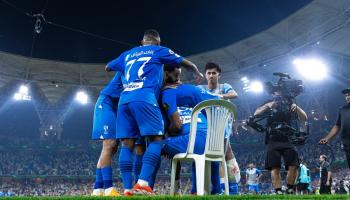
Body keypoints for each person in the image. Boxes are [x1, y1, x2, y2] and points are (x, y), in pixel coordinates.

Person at [105, 29, 203, 195]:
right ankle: (143, 184)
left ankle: (128, 188)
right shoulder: (159, 50)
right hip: (145, 97)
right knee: (156, 139)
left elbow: (108, 67)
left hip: (125, 100)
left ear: (142, 41)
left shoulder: (127, 53)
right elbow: (184, 62)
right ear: (157, 42)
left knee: (127, 144)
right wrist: (196, 71)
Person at [160, 64, 221, 194]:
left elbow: (177, 126)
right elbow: (213, 107)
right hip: (214, 143)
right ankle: (216, 190)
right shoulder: (194, 94)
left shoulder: (167, 93)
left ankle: (144, 183)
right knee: (205, 155)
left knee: (155, 144)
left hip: (193, 143)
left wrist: (170, 130)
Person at [197, 62, 240, 194]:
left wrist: (219, 96)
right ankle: (230, 188)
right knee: (225, 155)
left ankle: (225, 188)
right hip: (206, 128)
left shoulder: (224, 87)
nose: (211, 75)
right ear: (205, 75)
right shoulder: (200, 88)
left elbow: (235, 94)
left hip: (222, 128)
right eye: (209, 73)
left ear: (218, 75)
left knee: (222, 156)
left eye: (214, 73)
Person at [254, 90, 307, 194]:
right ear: (272, 93)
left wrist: (297, 107)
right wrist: (268, 105)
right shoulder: (268, 102)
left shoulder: (290, 103)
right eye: (275, 92)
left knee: (294, 165)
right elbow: (256, 113)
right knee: (275, 167)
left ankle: (290, 188)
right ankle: (278, 190)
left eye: (280, 92)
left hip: (288, 138)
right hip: (272, 139)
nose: (278, 94)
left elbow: (304, 117)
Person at [91, 71, 124, 196]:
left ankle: (97, 189)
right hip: (106, 104)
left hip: (116, 108)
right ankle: (109, 188)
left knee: (112, 147)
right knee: (109, 144)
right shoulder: (127, 68)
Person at [319, 87, 350, 169]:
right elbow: (337, 125)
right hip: (347, 143)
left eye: (349, 95)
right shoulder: (342, 110)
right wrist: (327, 138)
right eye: (346, 95)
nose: (347, 97)